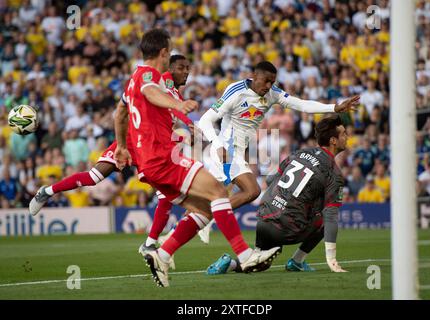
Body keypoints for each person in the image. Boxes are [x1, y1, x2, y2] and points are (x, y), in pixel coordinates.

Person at [113, 29, 281, 288]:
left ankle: (163, 253)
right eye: (169, 51)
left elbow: (120, 113)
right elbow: (150, 92)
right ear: (164, 52)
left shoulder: (131, 80)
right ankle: (246, 256)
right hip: (162, 157)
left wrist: (122, 146)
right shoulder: (150, 75)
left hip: (148, 163)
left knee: (203, 208)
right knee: (218, 192)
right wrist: (176, 105)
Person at [197, 60, 360, 242]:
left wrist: (334, 108)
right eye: (266, 81)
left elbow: (301, 105)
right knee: (250, 191)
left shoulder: (272, 94)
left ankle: (188, 227)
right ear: (255, 76)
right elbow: (205, 120)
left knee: (221, 195)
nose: (269, 86)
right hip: (225, 149)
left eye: (272, 82)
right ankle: (201, 222)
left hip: (238, 151)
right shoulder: (236, 91)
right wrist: (217, 144)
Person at [28, 55, 194, 216]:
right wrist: (188, 124)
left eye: (187, 68)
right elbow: (167, 102)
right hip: (132, 139)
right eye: (181, 68)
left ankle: (151, 243)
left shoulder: (176, 95)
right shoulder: (163, 80)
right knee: (94, 176)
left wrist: (183, 135)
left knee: (164, 194)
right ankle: (47, 191)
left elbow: (165, 122)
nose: (186, 71)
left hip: (149, 145)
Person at [207, 115, 349, 274]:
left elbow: (270, 179)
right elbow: (331, 216)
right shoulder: (333, 173)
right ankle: (297, 261)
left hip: (264, 218)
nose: (347, 137)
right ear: (333, 141)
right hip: (287, 226)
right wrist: (332, 259)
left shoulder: (299, 153)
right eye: (343, 133)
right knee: (325, 215)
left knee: (261, 262)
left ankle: (231, 263)